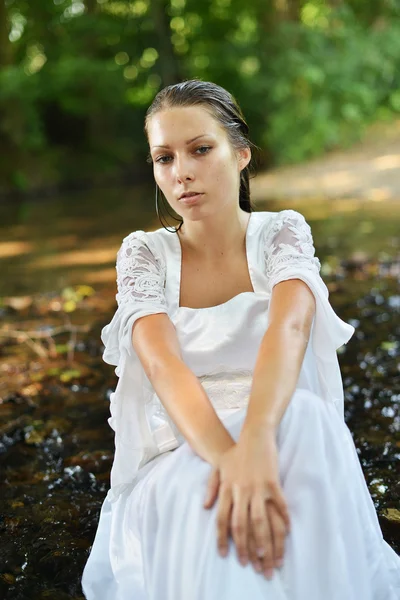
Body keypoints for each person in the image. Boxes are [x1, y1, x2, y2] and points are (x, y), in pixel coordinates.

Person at [81, 79, 400, 600]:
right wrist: (232, 461)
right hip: (184, 456)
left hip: (275, 440)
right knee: (289, 441)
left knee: (307, 419)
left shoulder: (281, 233)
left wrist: (254, 446)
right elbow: (164, 367)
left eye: (200, 150)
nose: (181, 171)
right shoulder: (143, 255)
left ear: (241, 154)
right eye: (163, 158)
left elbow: (290, 327)